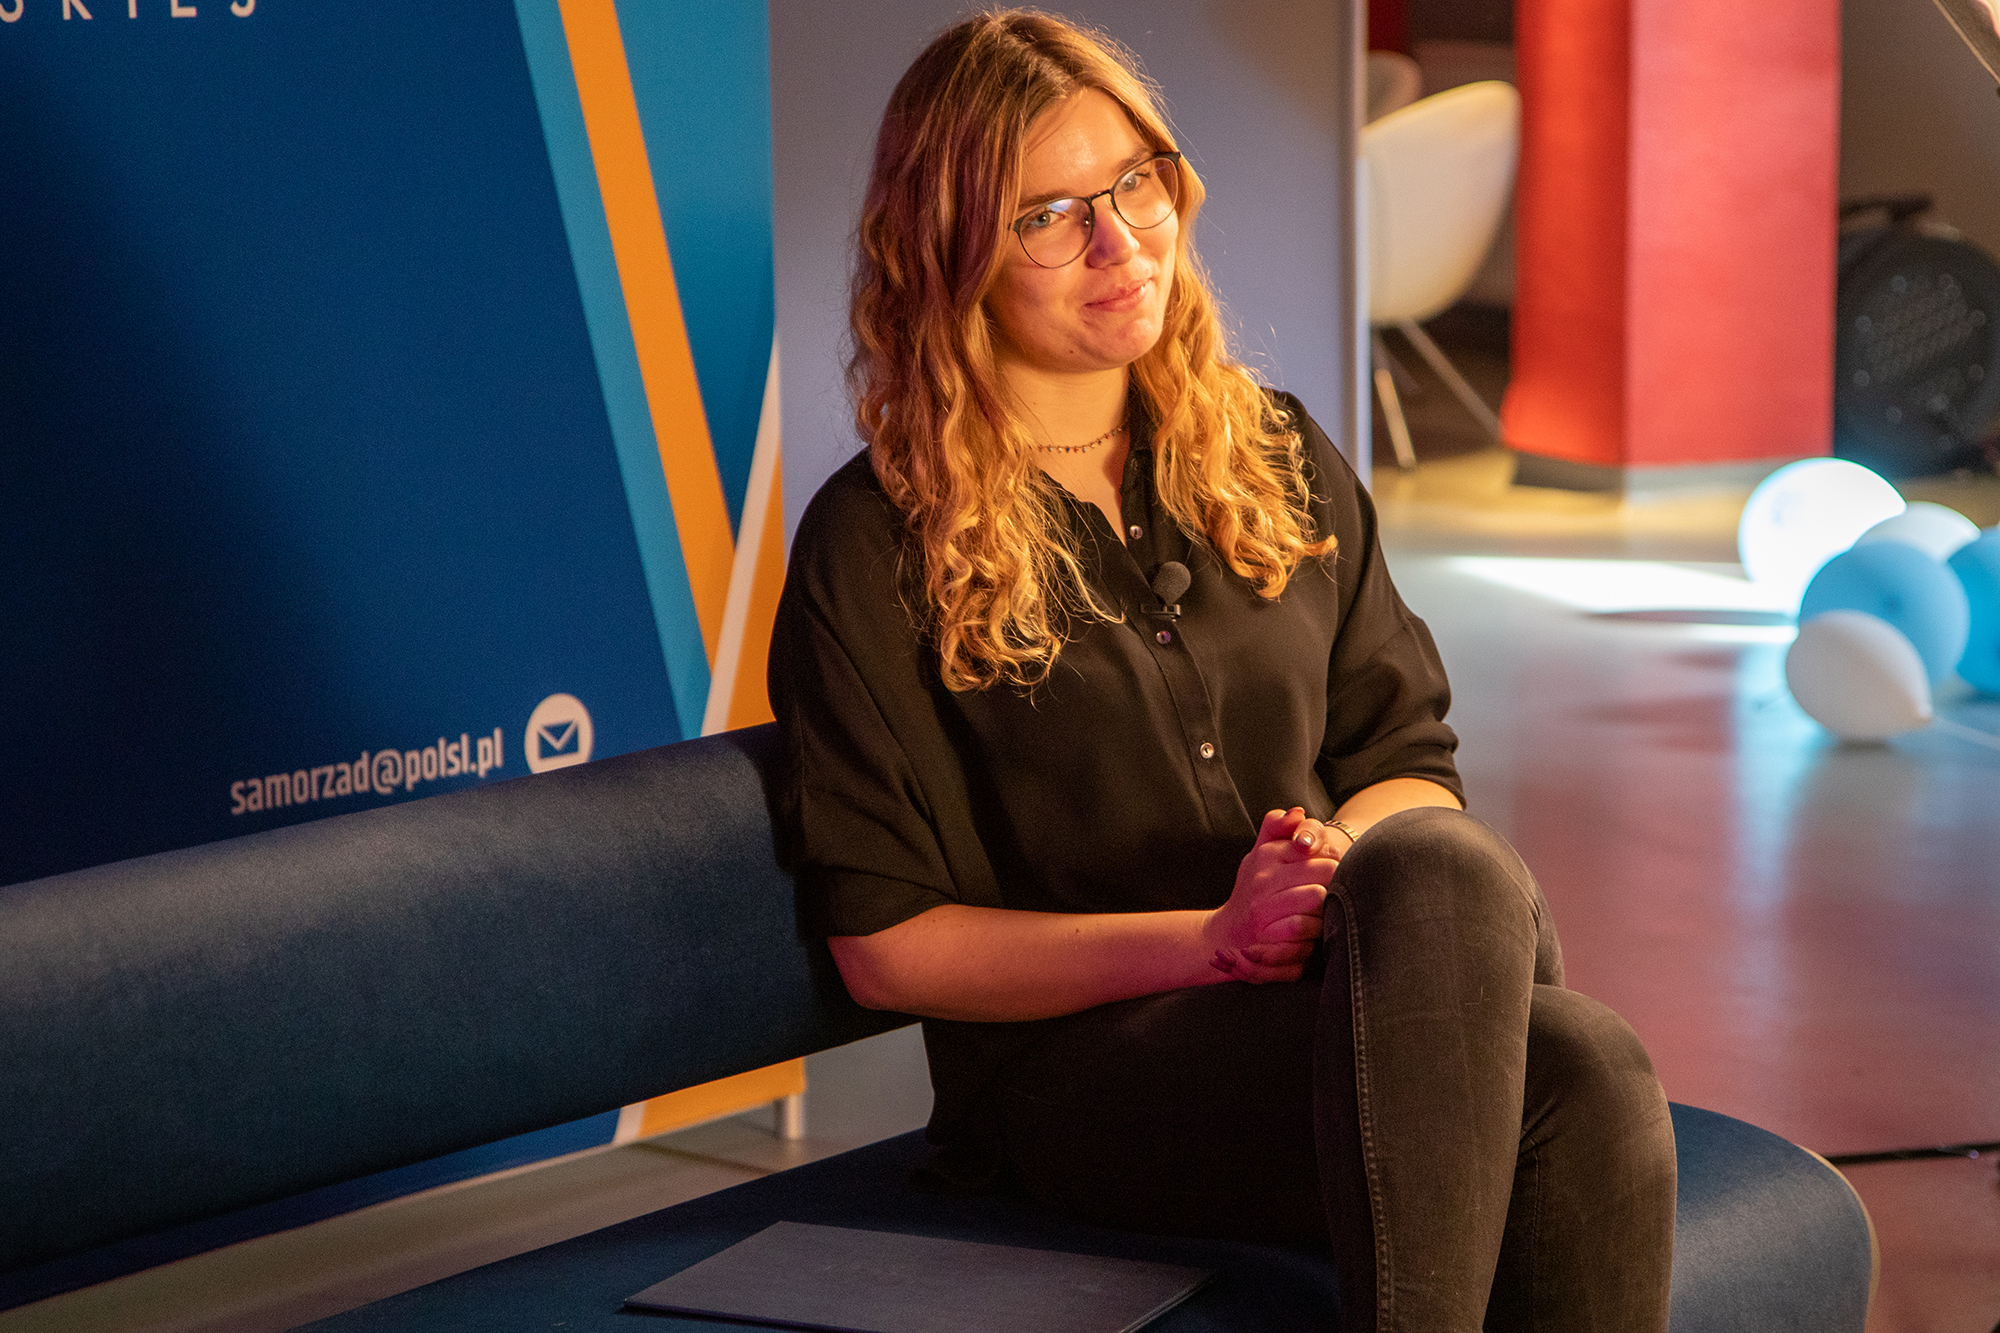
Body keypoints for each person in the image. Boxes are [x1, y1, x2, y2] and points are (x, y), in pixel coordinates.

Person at [767, 11, 1676, 1331]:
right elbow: (889, 947)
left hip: (1339, 1002)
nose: (1120, 242)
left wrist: (1325, 871)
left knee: (1477, 921)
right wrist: (1211, 940)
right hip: (1081, 1077)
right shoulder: (875, 543)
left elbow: (1406, 759)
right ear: (950, 253)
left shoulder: (1274, 450)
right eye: (1048, 216)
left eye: (1134, 183)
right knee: (1567, 1064)